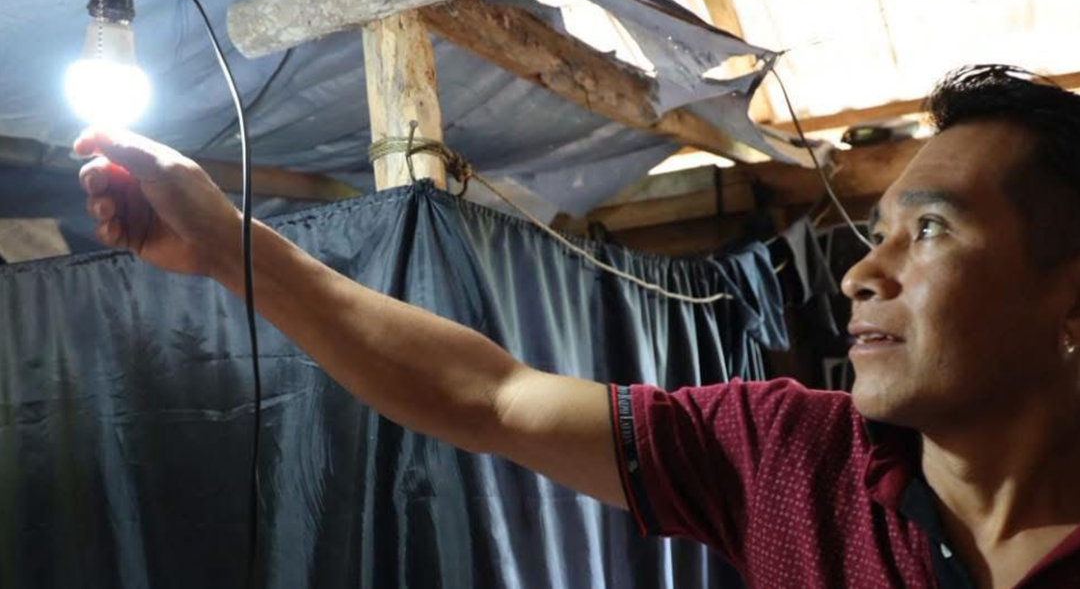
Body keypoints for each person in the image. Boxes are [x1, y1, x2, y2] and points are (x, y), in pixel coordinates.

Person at [74, 65, 1080, 588]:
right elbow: (491, 396)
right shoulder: (789, 459)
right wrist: (226, 248)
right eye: (877, 231)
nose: (862, 272)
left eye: (932, 231)